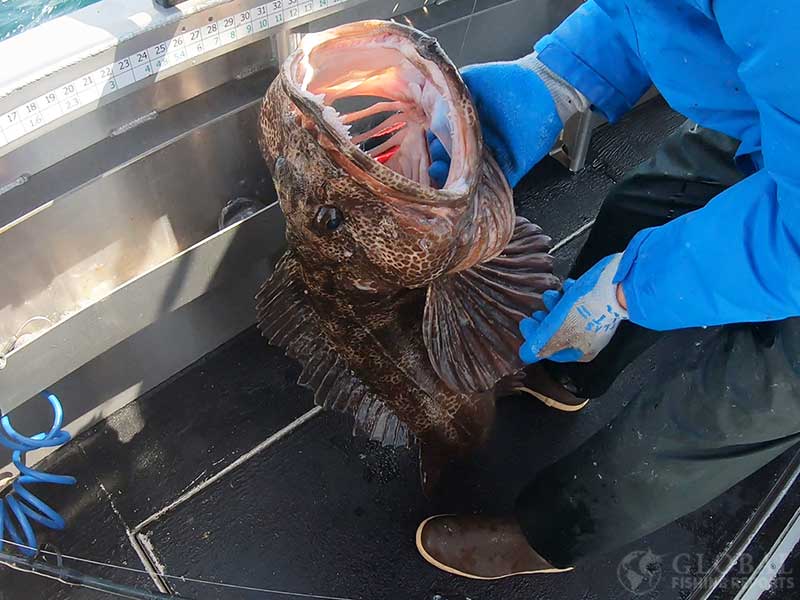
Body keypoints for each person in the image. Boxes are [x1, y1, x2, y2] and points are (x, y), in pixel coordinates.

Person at [416, 0, 800, 580]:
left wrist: (628, 288)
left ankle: (553, 532)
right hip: (778, 118)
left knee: (739, 395)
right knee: (643, 205)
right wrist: (561, 76)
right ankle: (568, 370)